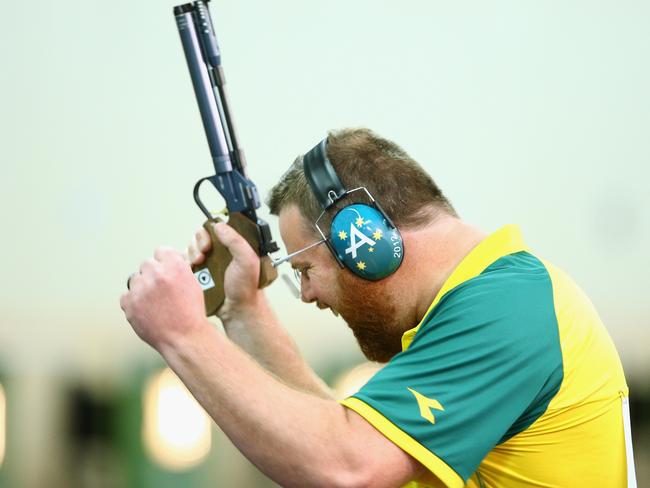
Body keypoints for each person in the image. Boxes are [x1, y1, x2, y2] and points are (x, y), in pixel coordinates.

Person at [120, 128, 636, 487]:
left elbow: (345, 469)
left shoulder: (505, 309)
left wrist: (183, 335)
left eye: (305, 269)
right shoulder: (486, 306)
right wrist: (242, 310)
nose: (306, 295)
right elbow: (336, 439)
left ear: (359, 237)